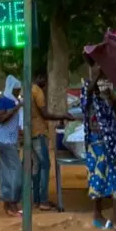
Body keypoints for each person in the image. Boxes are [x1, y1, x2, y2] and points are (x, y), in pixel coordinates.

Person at [81, 66, 116, 231]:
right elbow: (87, 95)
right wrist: (96, 76)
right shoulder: (87, 92)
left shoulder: (106, 95)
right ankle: (103, 216)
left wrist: (112, 101)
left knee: (113, 178)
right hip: (97, 144)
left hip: (109, 143)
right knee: (98, 179)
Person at [30, 71, 75, 211]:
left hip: (30, 134)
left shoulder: (29, 90)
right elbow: (45, 114)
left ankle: (36, 199)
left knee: (36, 166)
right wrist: (63, 115)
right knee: (45, 165)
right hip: (39, 133)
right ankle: (43, 200)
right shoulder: (38, 93)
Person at [0, 75, 23, 217]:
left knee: (6, 171)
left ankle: (7, 202)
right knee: (16, 172)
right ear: (11, 88)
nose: (18, 93)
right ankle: (12, 202)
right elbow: (1, 119)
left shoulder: (13, 100)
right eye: (17, 90)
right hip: (5, 141)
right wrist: (15, 108)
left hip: (10, 140)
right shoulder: (4, 101)